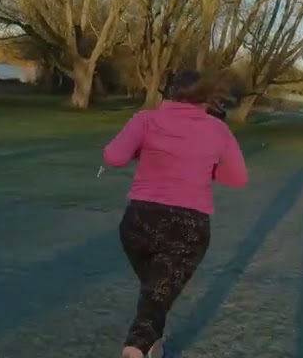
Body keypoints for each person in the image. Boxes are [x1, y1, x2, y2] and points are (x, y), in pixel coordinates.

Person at [102, 69, 248, 358]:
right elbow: (238, 178)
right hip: (188, 227)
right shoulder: (218, 129)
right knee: (157, 295)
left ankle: (154, 348)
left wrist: (143, 150)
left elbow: (114, 156)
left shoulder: (146, 119)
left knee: (156, 293)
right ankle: (136, 349)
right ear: (205, 96)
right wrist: (204, 167)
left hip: (139, 222)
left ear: (167, 92)